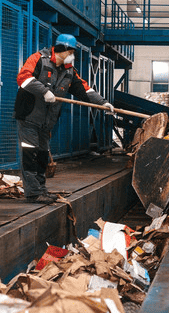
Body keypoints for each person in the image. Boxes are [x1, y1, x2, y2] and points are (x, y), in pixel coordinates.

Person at [14, 33, 114, 203]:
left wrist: (103, 103)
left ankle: (41, 190)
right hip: (29, 117)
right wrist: (44, 91)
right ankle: (33, 193)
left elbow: (85, 90)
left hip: (47, 122)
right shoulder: (38, 59)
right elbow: (23, 78)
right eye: (72, 52)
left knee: (42, 156)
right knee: (30, 155)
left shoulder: (69, 72)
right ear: (63, 50)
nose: (73, 56)